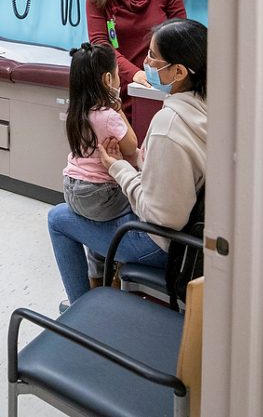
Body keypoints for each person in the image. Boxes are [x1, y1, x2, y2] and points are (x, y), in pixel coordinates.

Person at [48, 18, 207, 304]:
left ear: (179, 71)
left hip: (158, 242)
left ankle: (81, 315)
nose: (144, 62)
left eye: (153, 57)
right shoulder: (204, 108)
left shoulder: (168, 125)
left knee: (58, 218)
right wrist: (131, 163)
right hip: (190, 238)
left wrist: (118, 169)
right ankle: (101, 294)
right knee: (91, 215)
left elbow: (163, 217)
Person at [62, 42, 138, 223]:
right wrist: (117, 106)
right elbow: (131, 146)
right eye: (118, 74)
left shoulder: (75, 112)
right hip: (100, 196)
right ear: (108, 80)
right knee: (141, 200)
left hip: (71, 187)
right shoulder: (109, 116)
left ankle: (97, 250)